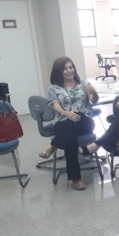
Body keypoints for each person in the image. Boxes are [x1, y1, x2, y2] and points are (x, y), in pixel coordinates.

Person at [39, 57, 99, 190]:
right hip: (64, 122)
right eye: (65, 68)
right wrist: (66, 113)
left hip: (85, 122)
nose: (69, 70)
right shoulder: (54, 88)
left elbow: (93, 99)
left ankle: (53, 145)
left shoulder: (83, 83)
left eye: (71, 67)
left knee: (77, 116)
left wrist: (93, 93)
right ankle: (75, 178)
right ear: (58, 71)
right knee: (69, 136)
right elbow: (55, 106)